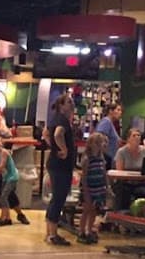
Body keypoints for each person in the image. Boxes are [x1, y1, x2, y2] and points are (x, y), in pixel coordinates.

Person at [45, 94, 76, 246]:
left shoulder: (54, 118)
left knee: (55, 198)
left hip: (55, 163)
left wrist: (53, 146)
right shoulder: (62, 120)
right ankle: (53, 234)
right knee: (59, 198)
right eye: (69, 102)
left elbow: (46, 134)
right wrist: (64, 149)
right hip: (61, 166)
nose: (72, 104)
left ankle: (49, 232)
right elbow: (58, 133)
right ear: (61, 105)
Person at [0, 135, 29, 226]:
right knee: (4, 197)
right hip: (5, 177)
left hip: (12, 177)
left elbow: (1, 166)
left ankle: (5, 217)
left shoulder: (4, 152)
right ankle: (6, 217)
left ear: (2, 143)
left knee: (3, 197)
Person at [78, 133, 108, 244]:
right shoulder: (87, 159)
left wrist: (107, 186)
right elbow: (84, 177)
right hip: (89, 188)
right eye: (97, 143)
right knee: (87, 210)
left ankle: (89, 230)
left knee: (94, 210)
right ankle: (81, 231)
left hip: (99, 188)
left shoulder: (101, 158)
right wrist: (86, 192)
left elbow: (104, 172)